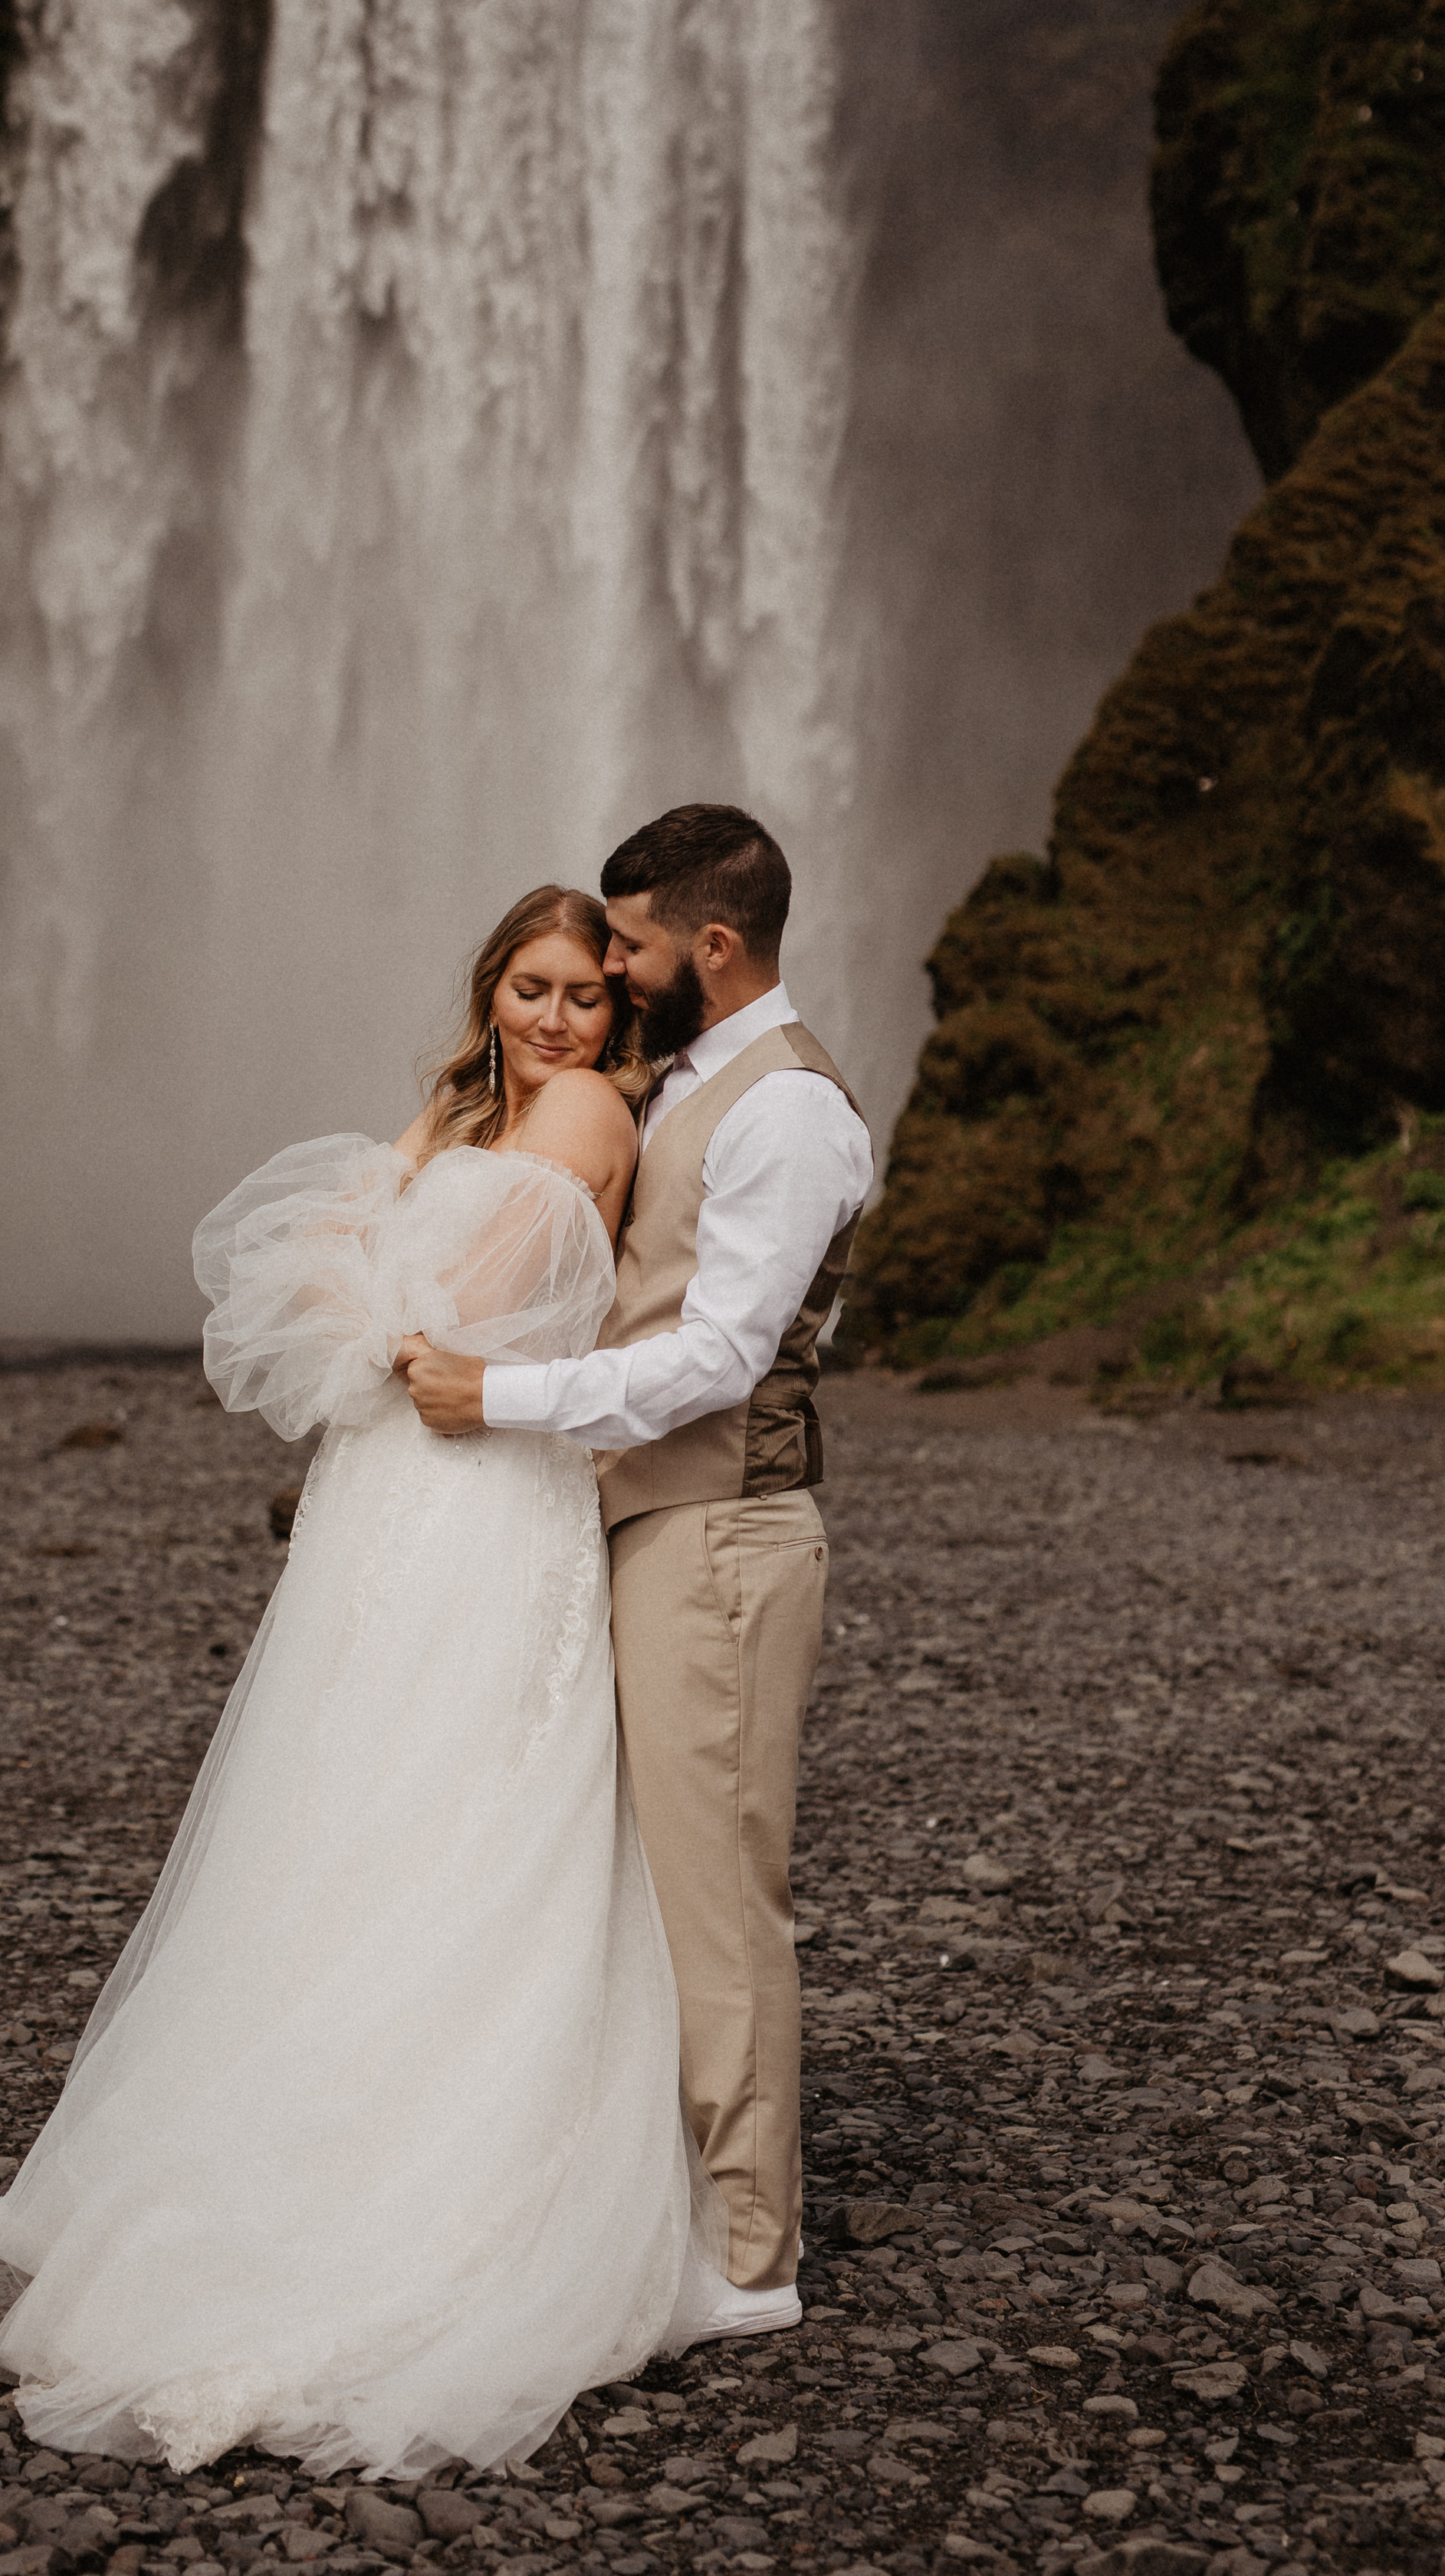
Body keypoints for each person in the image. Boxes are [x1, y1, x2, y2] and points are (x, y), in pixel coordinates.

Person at [0, 886, 728, 2481]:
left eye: (582, 998)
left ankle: (412, 2195)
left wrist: (383, 1308)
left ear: (617, 1020)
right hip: (392, 1506)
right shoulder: (463, 1113)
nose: (552, 1020)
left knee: (445, 1804)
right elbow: (341, 1277)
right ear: (488, 989)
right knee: (348, 1808)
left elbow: (441, 1321)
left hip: (477, 1503)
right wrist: (382, 1306)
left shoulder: (585, 1114)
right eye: (528, 988)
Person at [402, 806, 873, 2336]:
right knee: (653, 1885)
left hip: (723, 1535)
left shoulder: (786, 1108)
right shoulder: (681, 1088)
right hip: (652, 1530)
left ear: (710, 948)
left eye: (628, 946)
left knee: (720, 1903)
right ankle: (664, 2196)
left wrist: (500, 1401)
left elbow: (722, 1357)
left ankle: (748, 2259)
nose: (606, 969)